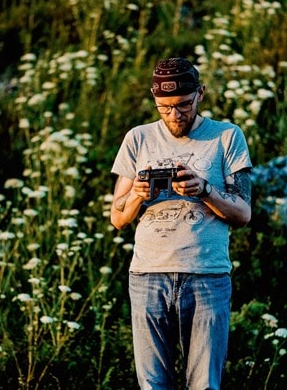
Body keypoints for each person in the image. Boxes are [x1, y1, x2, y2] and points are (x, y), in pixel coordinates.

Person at [109, 58, 253, 390]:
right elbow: (117, 217)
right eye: (165, 108)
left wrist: (203, 189)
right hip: (147, 277)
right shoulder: (138, 139)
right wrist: (137, 195)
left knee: (204, 384)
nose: (175, 115)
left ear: (200, 93)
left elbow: (243, 213)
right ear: (154, 99)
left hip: (208, 275)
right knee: (153, 385)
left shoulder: (227, 137)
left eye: (184, 105)